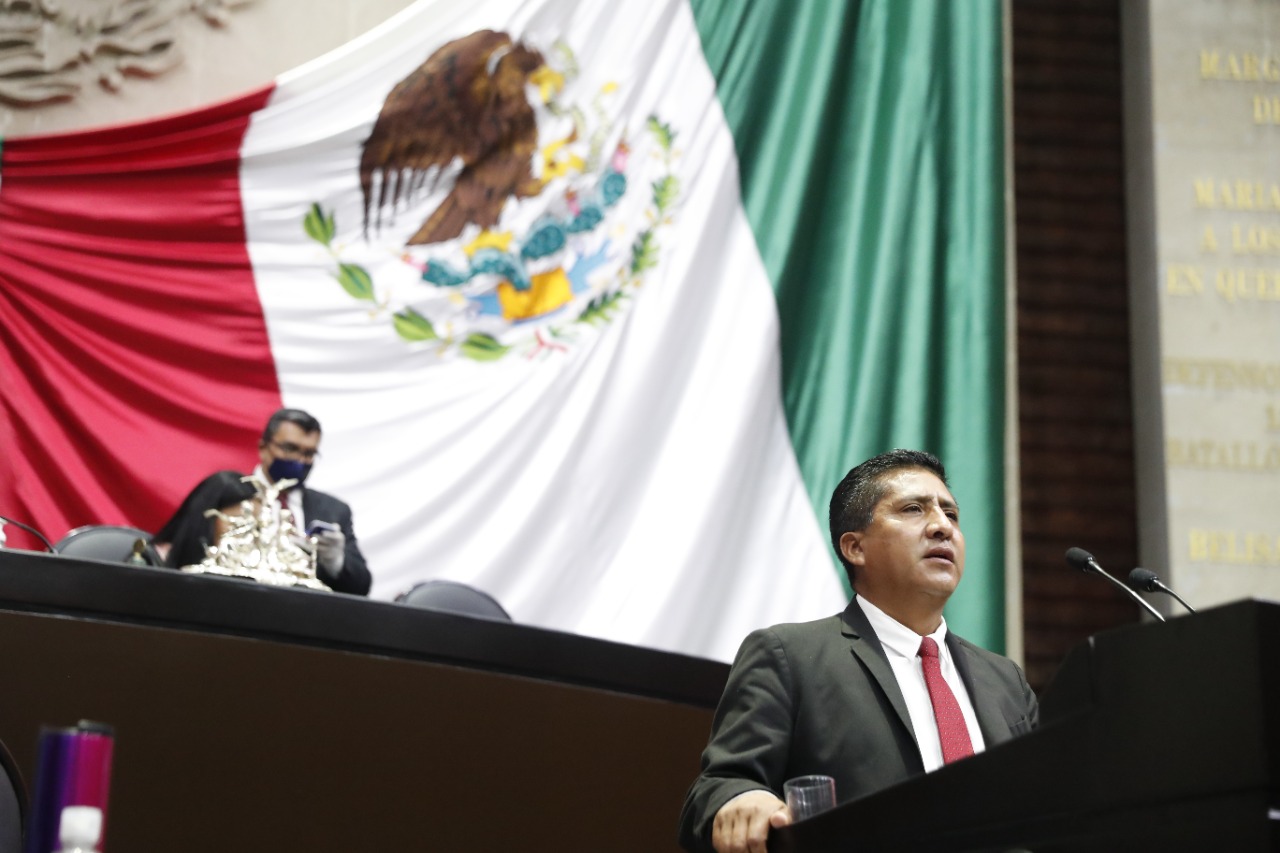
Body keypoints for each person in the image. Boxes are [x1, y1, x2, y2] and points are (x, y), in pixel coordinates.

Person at [677, 449, 1038, 853]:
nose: (942, 527)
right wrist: (743, 798)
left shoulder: (1005, 680)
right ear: (855, 548)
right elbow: (718, 786)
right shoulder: (789, 657)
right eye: (913, 509)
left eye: (951, 514)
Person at [255, 408, 372, 596]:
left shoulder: (334, 511)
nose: (299, 460)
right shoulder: (232, 495)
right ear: (263, 448)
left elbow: (361, 587)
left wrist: (336, 561)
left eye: (309, 453)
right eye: (290, 448)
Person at [151, 470, 257, 570]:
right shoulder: (153, 562)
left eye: (254, 525)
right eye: (237, 524)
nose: (249, 534)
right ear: (206, 518)